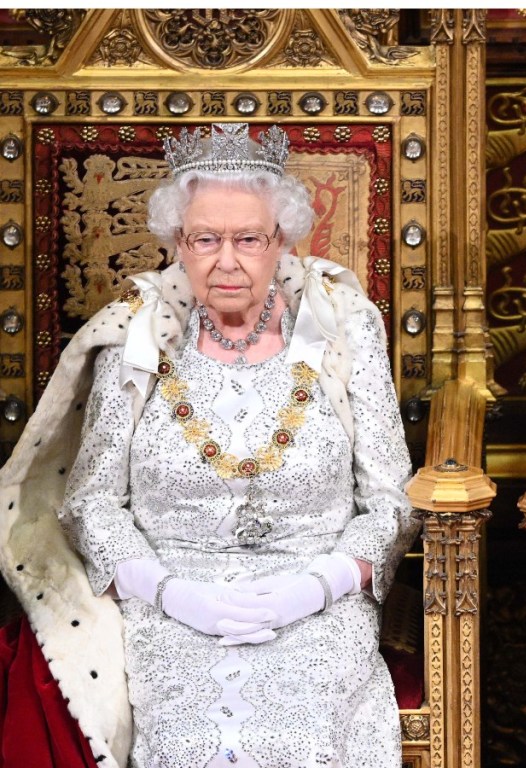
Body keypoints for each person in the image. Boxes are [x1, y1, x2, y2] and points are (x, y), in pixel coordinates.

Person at [0, 122, 420, 768]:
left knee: (298, 741)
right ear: (178, 243)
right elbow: (92, 502)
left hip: (317, 606)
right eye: (205, 239)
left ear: (281, 240)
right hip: (169, 607)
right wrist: (169, 593)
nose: (227, 260)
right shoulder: (137, 336)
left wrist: (317, 586)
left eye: (248, 238)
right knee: (191, 745)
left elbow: (392, 500)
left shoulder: (343, 330)